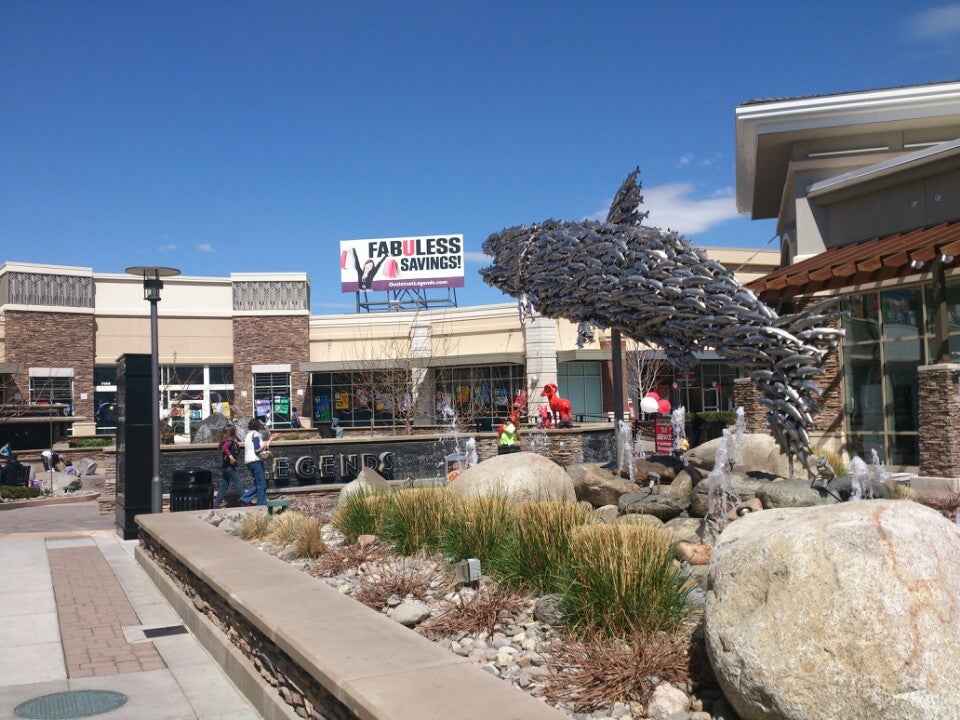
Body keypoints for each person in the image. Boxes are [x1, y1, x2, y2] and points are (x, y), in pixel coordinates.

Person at [240, 419, 271, 506]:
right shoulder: (256, 434)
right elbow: (257, 450)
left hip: (249, 462)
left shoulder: (248, 435)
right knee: (262, 484)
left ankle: (245, 498)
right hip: (255, 461)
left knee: (258, 483)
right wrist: (264, 445)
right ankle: (260, 504)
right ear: (257, 426)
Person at [215, 425, 246, 508]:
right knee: (238, 483)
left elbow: (234, 450)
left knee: (224, 485)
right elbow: (225, 448)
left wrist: (237, 445)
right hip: (229, 467)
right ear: (233, 432)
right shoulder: (229, 441)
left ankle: (216, 504)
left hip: (225, 466)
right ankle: (247, 500)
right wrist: (231, 457)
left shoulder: (227, 441)